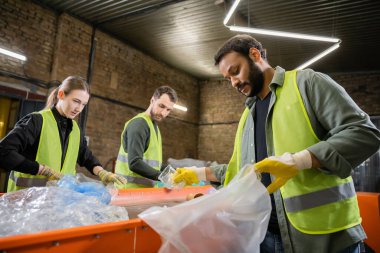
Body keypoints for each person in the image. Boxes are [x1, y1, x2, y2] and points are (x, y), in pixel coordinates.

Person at [174, 35, 380, 253]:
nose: (233, 82)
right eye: (228, 79)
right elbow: (241, 172)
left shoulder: (307, 84)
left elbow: (364, 133)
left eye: (235, 71)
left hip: (326, 238)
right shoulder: (247, 116)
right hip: (266, 237)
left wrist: (301, 160)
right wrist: (197, 173)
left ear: (255, 55)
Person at [0, 76, 127, 192]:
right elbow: (3, 152)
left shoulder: (75, 130)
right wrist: (42, 170)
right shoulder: (37, 121)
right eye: (76, 101)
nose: (79, 109)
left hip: (57, 203)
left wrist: (102, 172)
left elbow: (85, 156)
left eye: (83, 104)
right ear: (61, 95)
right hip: (25, 203)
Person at [115, 86, 177, 188]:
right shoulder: (139, 125)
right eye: (161, 106)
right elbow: (135, 163)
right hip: (129, 192)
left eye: (168, 110)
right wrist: (164, 177)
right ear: (152, 100)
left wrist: (174, 172)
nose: (163, 113)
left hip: (142, 193)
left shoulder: (153, 126)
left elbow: (153, 164)